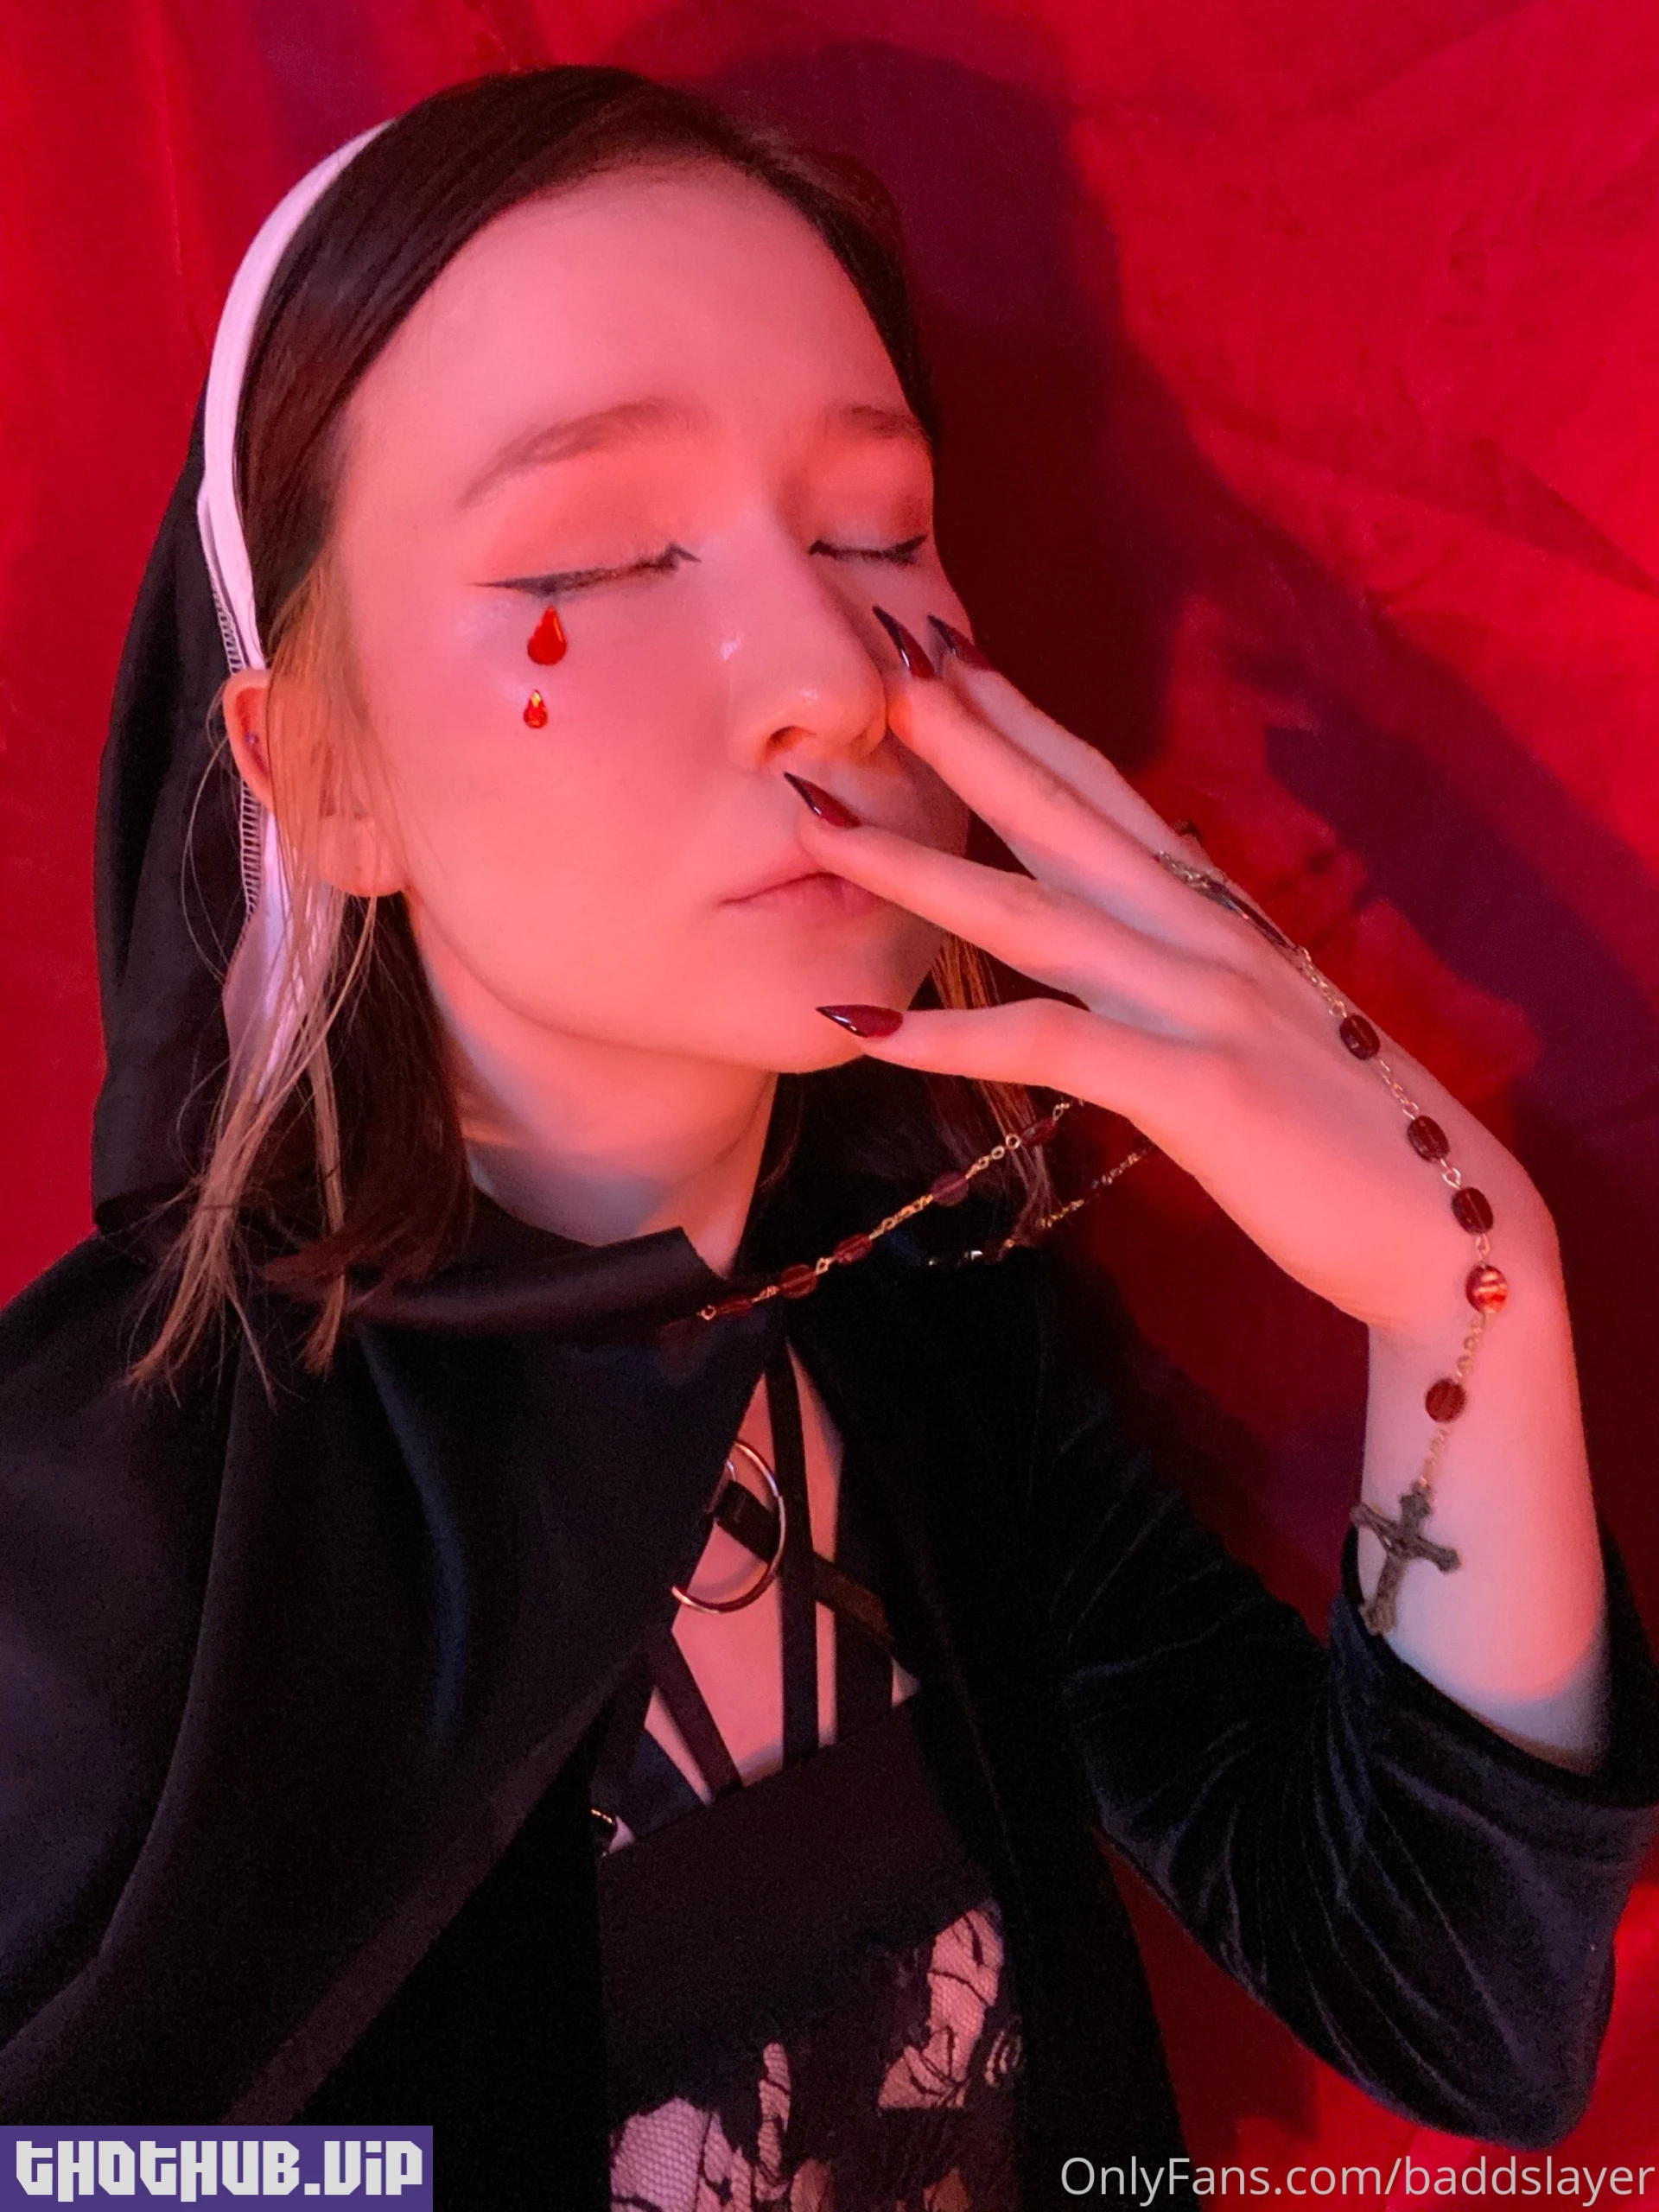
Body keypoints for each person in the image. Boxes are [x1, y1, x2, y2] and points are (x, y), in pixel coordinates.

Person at [1, 64, 1655, 2212]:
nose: (830, 674)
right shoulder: (107, 1540)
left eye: (879, 536)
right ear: (320, 768)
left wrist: (1466, 1286)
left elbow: (1465, 2011)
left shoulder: (924, 1333)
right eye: (601, 554)